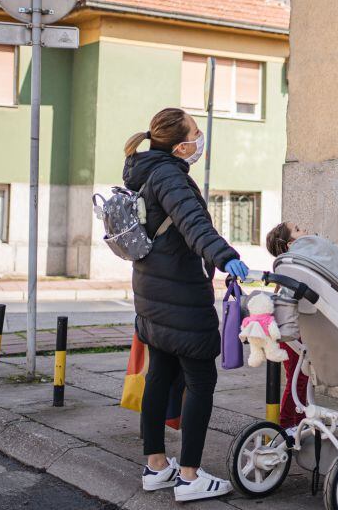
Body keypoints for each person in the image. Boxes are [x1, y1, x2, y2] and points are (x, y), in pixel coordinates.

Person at [122, 107, 250, 503]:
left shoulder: (145, 170)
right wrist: (225, 255)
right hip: (179, 293)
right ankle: (191, 476)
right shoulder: (170, 176)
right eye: (196, 133)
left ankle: (156, 467)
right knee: (200, 382)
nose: (200, 140)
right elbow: (195, 225)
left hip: (151, 291)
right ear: (180, 146)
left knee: (159, 374)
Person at [264, 221, 311, 436]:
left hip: (295, 330)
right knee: (297, 379)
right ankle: (285, 425)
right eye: (299, 229)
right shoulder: (294, 267)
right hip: (293, 331)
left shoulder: (293, 266)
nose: (305, 229)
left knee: (300, 378)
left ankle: (300, 421)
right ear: (290, 244)